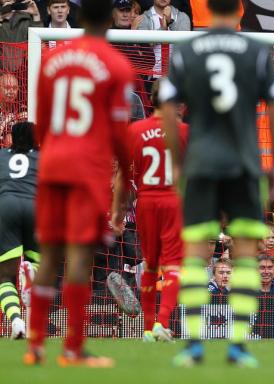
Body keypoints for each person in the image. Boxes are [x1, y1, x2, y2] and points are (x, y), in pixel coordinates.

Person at [160, 0, 274, 368]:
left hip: (200, 163)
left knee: (197, 255)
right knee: (246, 254)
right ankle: (238, 346)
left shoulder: (187, 51)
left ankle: (195, 344)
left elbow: (166, 105)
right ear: (241, 12)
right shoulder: (256, 52)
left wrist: (178, 160)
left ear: (208, 10)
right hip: (243, 164)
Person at [25, 0, 134, 367]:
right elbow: (120, 135)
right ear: (111, 21)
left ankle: (36, 344)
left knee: (50, 252)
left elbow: (40, 123)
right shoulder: (116, 65)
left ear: (81, 17)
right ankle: (72, 349)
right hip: (87, 170)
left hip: (52, 163)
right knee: (79, 257)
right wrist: (124, 179)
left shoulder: (54, 60)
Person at [111, 79, 188, 343]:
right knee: (174, 264)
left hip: (145, 202)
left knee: (151, 263)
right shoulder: (185, 132)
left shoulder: (135, 130)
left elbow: (122, 176)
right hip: (173, 201)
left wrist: (118, 214)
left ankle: (146, 328)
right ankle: (162, 322)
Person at [0, 122, 38, 339]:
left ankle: (16, 321)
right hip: (35, 207)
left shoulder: (2, 156)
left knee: (4, 277)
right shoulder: (43, 158)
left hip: (6, 208)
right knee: (40, 262)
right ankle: (32, 272)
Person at [0, 72, 27, 148]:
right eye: (7, 88)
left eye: (15, 88)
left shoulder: (21, 108)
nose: (11, 91)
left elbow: (25, 136)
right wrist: (6, 121)